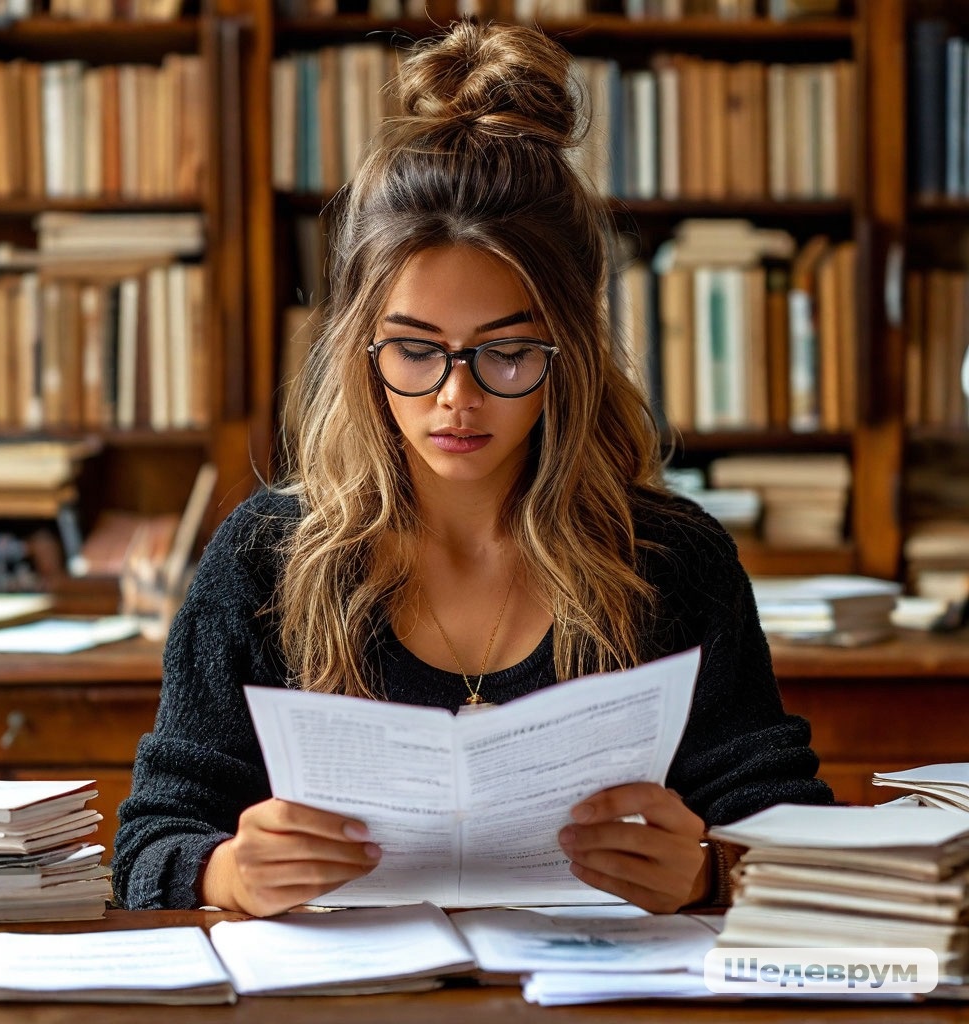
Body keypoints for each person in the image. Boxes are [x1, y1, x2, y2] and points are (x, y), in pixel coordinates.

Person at [112, 18, 832, 917]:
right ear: (358, 347)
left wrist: (711, 874)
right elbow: (149, 842)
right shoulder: (262, 560)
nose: (457, 398)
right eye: (415, 350)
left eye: (507, 352)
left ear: (570, 348)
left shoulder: (671, 561)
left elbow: (794, 824)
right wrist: (227, 871)